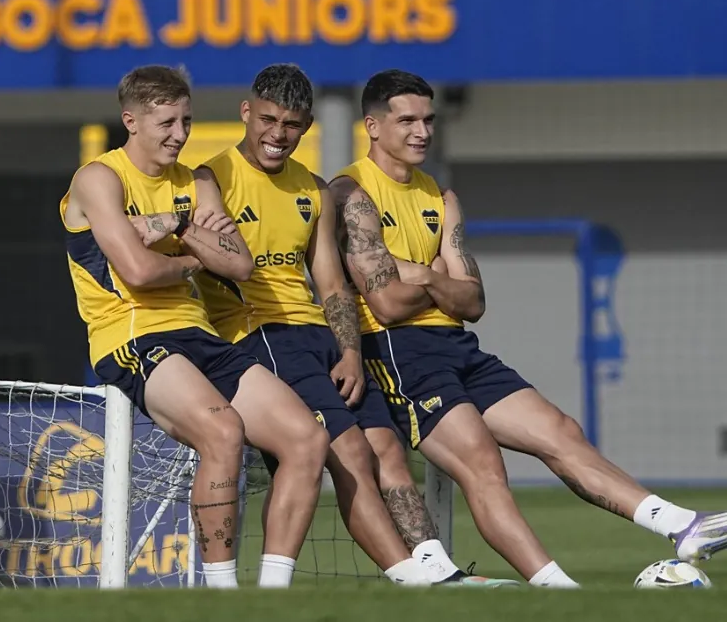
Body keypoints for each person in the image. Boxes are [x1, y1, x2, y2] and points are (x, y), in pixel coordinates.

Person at [331, 69, 727, 587]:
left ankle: (681, 525)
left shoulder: (440, 197)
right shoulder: (351, 191)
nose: (422, 131)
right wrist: (435, 281)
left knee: (562, 431)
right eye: (407, 120)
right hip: (400, 355)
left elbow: (472, 299)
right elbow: (384, 303)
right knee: (482, 462)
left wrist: (422, 274)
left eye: (428, 120)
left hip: (457, 344)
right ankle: (556, 591)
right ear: (373, 126)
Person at [195, 64, 513, 587]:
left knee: (386, 447)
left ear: (308, 125)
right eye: (269, 120)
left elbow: (332, 285)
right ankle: (408, 577)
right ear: (246, 114)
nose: (279, 135)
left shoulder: (314, 190)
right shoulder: (211, 179)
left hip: (319, 337)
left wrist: (347, 351)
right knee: (348, 452)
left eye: (293, 125)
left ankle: (437, 567)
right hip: (259, 336)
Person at [60, 64, 329, 589]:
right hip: (133, 335)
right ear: (131, 120)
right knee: (223, 431)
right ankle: (220, 590)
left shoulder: (194, 180)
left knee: (306, 440)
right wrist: (193, 255)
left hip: (198, 334)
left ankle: (272, 596)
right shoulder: (99, 177)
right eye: (166, 123)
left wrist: (176, 225)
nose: (179, 135)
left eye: (186, 121)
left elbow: (239, 265)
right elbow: (137, 273)